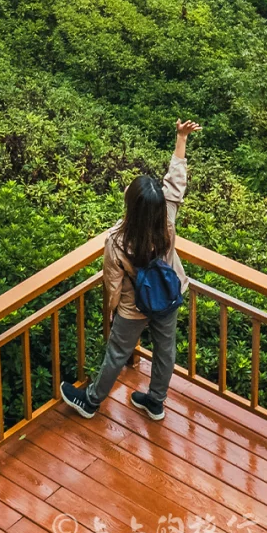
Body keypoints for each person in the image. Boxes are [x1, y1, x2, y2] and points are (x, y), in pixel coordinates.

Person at [60, 119, 201, 422]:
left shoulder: (118, 241)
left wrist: (114, 313)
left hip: (134, 306)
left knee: (117, 353)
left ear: (131, 205)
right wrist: (181, 138)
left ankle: (91, 401)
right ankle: (155, 401)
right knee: (166, 350)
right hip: (167, 294)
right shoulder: (168, 220)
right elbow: (176, 183)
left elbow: (113, 285)